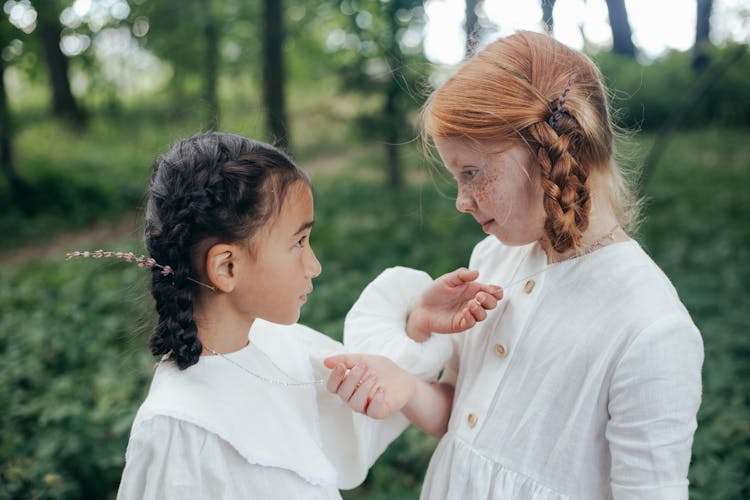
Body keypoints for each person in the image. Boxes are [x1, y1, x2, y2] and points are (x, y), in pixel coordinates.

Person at [325, 31, 704, 499]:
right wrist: (403, 386)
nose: (462, 201)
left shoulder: (650, 328)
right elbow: (457, 416)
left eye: (472, 172)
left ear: (552, 151)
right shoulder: (495, 257)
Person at [65, 132, 499, 499]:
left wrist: (417, 324)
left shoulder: (285, 348)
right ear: (227, 267)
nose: (314, 266)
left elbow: (361, 424)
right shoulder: (179, 428)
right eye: (298, 243)